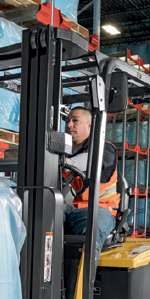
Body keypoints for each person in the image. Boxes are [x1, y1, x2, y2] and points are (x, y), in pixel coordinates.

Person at [63, 107, 119, 264]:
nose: (69, 125)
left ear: (89, 125)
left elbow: (90, 161)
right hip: (65, 207)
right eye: (67, 121)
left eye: (75, 120)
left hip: (97, 208)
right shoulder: (61, 153)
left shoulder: (104, 148)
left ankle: (82, 285)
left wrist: (58, 162)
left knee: (89, 230)